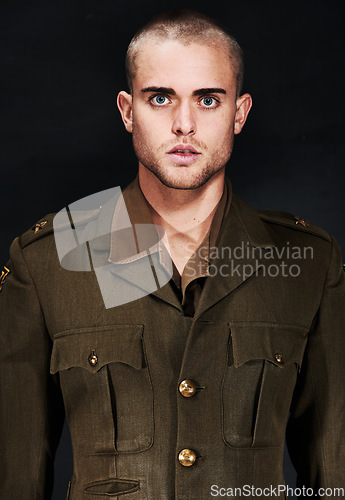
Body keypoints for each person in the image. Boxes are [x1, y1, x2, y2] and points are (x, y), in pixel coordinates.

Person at [1, 8, 344, 500]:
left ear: (240, 113)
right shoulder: (50, 260)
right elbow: (14, 476)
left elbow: (334, 473)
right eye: (160, 98)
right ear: (127, 110)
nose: (184, 124)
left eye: (208, 99)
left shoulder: (308, 262)